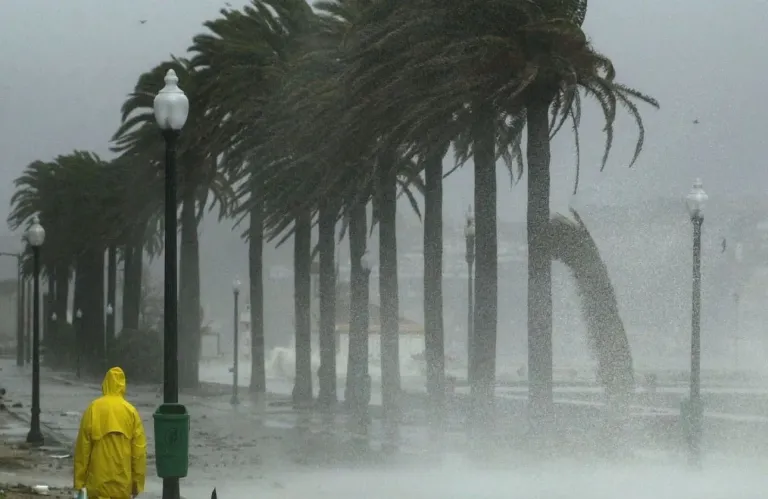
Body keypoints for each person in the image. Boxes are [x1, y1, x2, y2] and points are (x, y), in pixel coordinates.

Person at [74, 367, 147, 499]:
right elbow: (139, 452)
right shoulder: (131, 412)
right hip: (123, 484)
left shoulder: (93, 409)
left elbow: (82, 451)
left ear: (105, 383)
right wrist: (137, 483)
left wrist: (79, 482)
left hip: (97, 482)